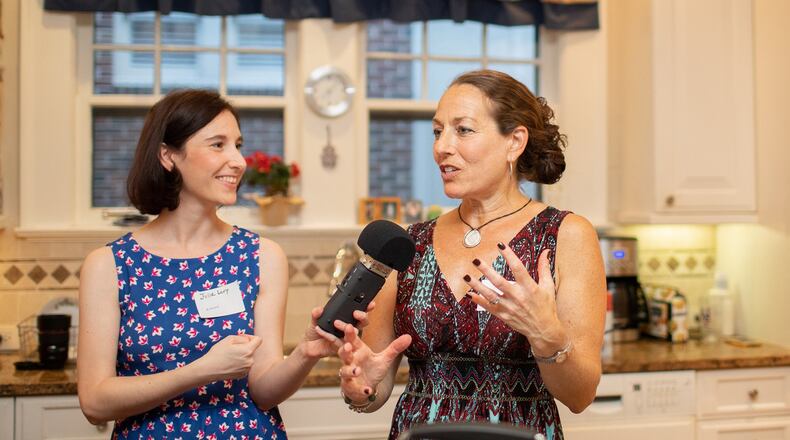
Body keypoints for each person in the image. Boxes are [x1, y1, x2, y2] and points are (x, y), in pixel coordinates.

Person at [333, 70, 606, 439]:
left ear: (514, 141)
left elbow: (580, 395)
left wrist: (547, 335)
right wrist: (361, 388)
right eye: (437, 131)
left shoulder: (564, 235)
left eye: (463, 130)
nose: (442, 147)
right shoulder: (411, 243)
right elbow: (374, 386)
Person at [77, 89, 365, 438]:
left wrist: (305, 353)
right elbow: (94, 401)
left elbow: (263, 391)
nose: (238, 161)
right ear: (168, 156)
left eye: (238, 145)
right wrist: (199, 371)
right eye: (218, 145)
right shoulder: (109, 266)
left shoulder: (261, 256)